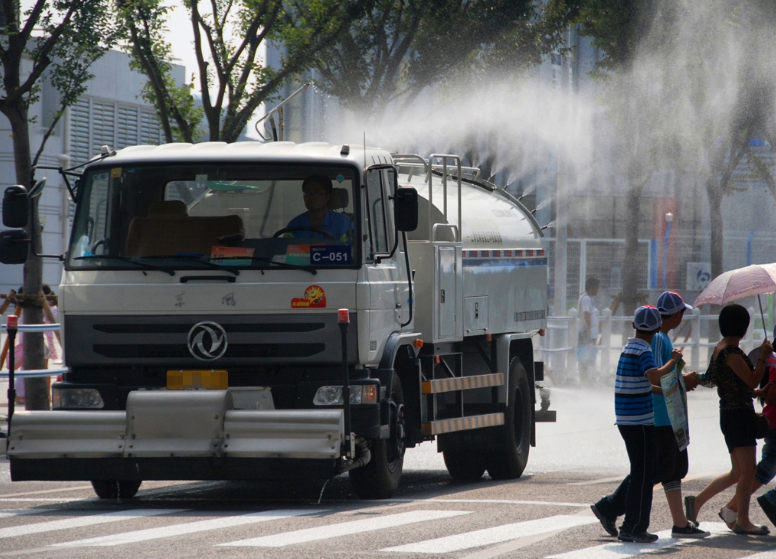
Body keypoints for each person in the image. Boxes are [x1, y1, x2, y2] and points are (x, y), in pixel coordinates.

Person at [591, 305, 683, 544]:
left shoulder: (628, 348)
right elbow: (654, 375)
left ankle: (627, 523)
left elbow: (644, 384)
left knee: (641, 472)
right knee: (644, 475)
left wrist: (664, 392)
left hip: (627, 420)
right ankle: (634, 527)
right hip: (640, 422)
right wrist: (673, 360)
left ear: (633, 325)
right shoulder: (644, 351)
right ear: (658, 328)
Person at [684, 304, 772, 535]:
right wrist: (762, 358)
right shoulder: (731, 352)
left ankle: (696, 502)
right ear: (742, 327)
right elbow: (752, 379)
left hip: (731, 414)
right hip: (738, 416)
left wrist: (757, 393)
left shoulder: (720, 348)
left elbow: (730, 383)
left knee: (737, 472)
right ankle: (743, 521)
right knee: (748, 471)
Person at [650, 291, 709, 538]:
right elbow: (655, 376)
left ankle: (680, 522)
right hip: (663, 415)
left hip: (670, 415)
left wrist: (683, 379)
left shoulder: (662, 339)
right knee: (662, 470)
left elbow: (664, 376)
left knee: (667, 469)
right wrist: (682, 381)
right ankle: (610, 508)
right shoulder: (659, 339)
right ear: (676, 315)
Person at [718, 326, 776, 529]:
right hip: (772, 421)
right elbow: (769, 391)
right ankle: (735, 510)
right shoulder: (771, 361)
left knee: (764, 469)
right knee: (761, 469)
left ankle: (732, 509)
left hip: (768, 420)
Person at [286, 175, 351, 242]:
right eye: (307, 192)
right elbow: (285, 247)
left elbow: (351, 247)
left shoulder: (343, 222)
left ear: (327, 197)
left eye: (317, 192)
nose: (311, 197)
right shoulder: (294, 225)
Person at [577, 277, 600, 384]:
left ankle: (587, 379)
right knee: (584, 357)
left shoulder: (589, 299)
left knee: (589, 356)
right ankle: (584, 380)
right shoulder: (586, 299)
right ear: (592, 288)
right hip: (586, 333)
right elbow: (586, 315)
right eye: (597, 287)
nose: (598, 290)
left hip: (589, 333)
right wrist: (589, 331)